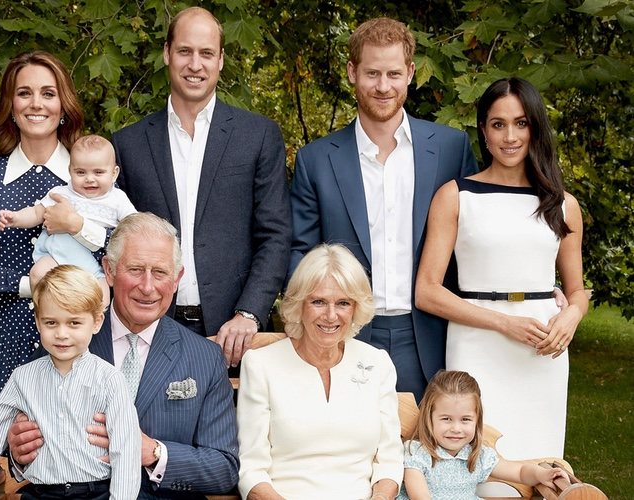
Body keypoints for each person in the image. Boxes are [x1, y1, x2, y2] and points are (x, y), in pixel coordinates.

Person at [289, 16, 478, 401]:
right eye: (372, 73)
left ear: (410, 72)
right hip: (346, 332)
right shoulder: (316, 160)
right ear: (352, 72)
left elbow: (477, 238)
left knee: (433, 454)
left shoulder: (450, 149)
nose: (383, 86)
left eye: (393, 73)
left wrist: (536, 292)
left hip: (430, 332)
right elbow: (299, 252)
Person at [415, 77, 587, 461]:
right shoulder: (456, 196)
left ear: (535, 128)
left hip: (543, 350)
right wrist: (504, 322)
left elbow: (577, 291)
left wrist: (572, 316)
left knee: (539, 459)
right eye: (498, 124)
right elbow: (427, 291)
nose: (510, 136)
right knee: (476, 462)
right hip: (476, 343)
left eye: (521, 123)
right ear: (483, 130)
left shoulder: (563, 205)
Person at [8, 212, 240, 498]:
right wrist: (19, 451)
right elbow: (21, 439)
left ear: (177, 278)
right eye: (135, 270)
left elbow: (224, 468)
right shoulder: (65, 338)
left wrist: (154, 453)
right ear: (109, 270)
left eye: (160, 272)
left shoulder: (204, 358)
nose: (147, 286)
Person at [112, 6, 291, 367]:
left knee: (232, 426)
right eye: (185, 51)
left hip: (235, 333)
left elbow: (275, 234)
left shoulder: (257, 136)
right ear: (167, 53)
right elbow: (115, 238)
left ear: (221, 59)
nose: (195, 64)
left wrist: (249, 314)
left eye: (206, 53)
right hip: (150, 327)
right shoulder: (127, 145)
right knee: (147, 426)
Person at [0, 51, 109, 411]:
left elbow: (119, 252)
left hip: (86, 337)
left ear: (64, 105)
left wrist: (78, 225)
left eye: (48, 93)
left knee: (87, 449)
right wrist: (31, 285)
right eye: (24, 93)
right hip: (14, 335)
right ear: (10, 104)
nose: (36, 104)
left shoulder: (93, 172)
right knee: (13, 449)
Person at [0, 265, 141, 500]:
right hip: (39, 493)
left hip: (95, 493)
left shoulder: (110, 380)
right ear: (38, 322)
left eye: (74, 323)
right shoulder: (22, 378)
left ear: (97, 322)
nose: (61, 333)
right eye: (51, 323)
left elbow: (126, 453)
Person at [237, 244, 403, 500]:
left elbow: (390, 461)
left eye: (343, 303)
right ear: (298, 304)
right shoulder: (260, 365)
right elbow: (251, 470)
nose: (331, 315)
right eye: (318, 302)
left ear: (356, 308)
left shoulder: (377, 363)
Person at [0, 134, 136, 307]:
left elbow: (134, 226)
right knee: (37, 273)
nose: (89, 179)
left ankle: (89, 329)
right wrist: (16, 218)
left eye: (99, 172)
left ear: (114, 173)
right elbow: (36, 213)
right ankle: (45, 313)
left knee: (103, 298)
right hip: (55, 258)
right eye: (80, 172)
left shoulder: (118, 199)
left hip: (92, 267)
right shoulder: (61, 193)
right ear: (69, 170)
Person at [397, 370, 568, 500]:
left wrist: (541, 474)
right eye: (446, 419)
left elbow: (520, 471)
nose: (456, 428)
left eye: (465, 419)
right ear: (429, 418)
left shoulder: (477, 455)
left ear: (477, 420)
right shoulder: (417, 453)